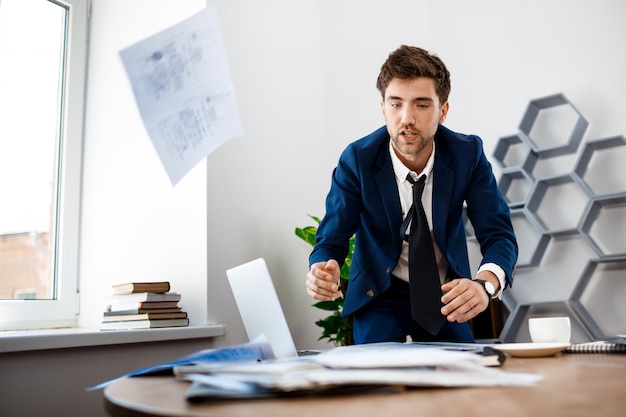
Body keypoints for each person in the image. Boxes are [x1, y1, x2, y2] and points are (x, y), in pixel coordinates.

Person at [305, 45, 518, 344]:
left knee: (465, 379)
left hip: (445, 295)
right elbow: (331, 239)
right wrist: (323, 267)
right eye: (396, 104)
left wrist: (485, 285)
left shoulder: (468, 154)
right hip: (379, 294)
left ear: (443, 110)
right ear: (383, 108)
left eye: (421, 104)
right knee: (374, 385)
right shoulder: (357, 159)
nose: (407, 118)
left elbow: (498, 234)